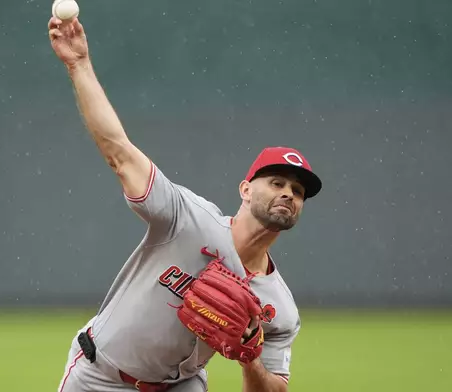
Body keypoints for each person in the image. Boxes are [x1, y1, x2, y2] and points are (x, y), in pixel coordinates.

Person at [48, 15, 322, 392]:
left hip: (179, 385)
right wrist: (79, 65)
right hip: (100, 376)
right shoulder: (187, 218)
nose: (289, 194)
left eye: (298, 191)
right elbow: (120, 152)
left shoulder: (279, 307)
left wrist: (250, 356)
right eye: (276, 182)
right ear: (245, 189)